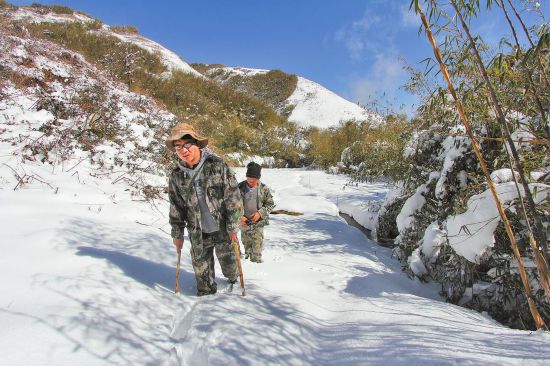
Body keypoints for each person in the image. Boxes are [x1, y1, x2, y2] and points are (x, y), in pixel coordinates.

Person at [167, 123, 243, 296]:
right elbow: (176, 207)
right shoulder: (176, 176)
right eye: (178, 147)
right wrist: (177, 234)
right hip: (197, 232)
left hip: (223, 228)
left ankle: (233, 282)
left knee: (230, 267)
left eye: (186, 145)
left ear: (196, 144)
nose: (183, 150)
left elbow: (233, 197)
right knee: (203, 281)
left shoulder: (216, 166)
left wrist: (233, 226)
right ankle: (206, 307)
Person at [238, 162, 275, 263]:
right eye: (249, 179)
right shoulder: (240, 187)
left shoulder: (264, 189)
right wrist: (240, 216)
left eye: (254, 180)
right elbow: (233, 204)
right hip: (244, 221)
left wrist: (260, 213)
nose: (251, 182)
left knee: (257, 244)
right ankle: (247, 261)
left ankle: (257, 262)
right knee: (246, 243)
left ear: (258, 178)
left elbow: (270, 204)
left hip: (258, 222)